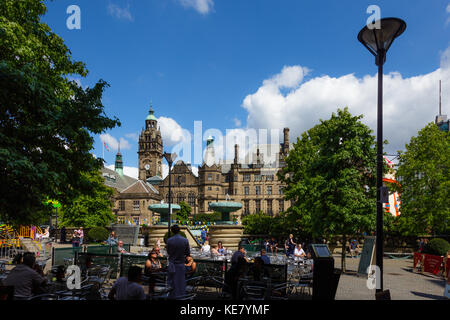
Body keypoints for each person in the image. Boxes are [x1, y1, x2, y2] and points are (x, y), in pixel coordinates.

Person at [166, 225, 190, 299]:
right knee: (181, 284)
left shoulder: (169, 240)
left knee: (172, 284)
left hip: (172, 264)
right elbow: (187, 253)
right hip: (180, 264)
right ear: (179, 230)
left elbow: (168, 252)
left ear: (172, 231)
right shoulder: (185, 240)